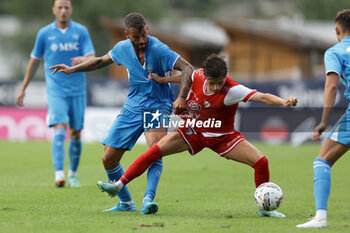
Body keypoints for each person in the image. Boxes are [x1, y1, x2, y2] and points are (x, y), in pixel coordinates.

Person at [96, 54, 298, 217]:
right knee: (155, 151)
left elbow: (262, 96)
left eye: (220, 83)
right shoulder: (198, 75)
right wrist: (164, 79)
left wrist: (283, 102)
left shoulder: (233, 89)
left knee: (261, 162)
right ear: (205, 76)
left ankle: (264, 209)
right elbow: (186, 77)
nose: (216, 87)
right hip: (193, 131)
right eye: (213, 83)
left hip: (223, 137)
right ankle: (118, 185)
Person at [50, 12, 194, 214]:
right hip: (133, 106)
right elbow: (100, 61)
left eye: (144, 35)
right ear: (127, 35)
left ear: (147, 30)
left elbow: (188, 68)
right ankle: (126, 203)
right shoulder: (121, 49)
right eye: (137, 37)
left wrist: (182, 97)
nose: (142, 40)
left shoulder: (160, 49)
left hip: (158, 105)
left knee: (154, 151)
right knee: (108, 158)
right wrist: (73, 70)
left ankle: (148, 200)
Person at [16, 0, 95, 188]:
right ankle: (59, 174)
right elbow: (34, 61)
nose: (63, 11)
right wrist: (23, 88)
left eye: (66, 7)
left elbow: (92, 58)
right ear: (54, 10)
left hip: (77, 90)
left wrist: (82, 59)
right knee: (59, 129)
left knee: (75, 133)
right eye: (59, 8)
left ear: (71, 10)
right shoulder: (44, 33)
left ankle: (73, 174)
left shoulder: (81, 31)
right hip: (56, 89)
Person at [297, 9, 350, 228]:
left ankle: (320, 218)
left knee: (322, 161)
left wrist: (323, 121)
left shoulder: (335, 51)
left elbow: (331, 85)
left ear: (337, 30)